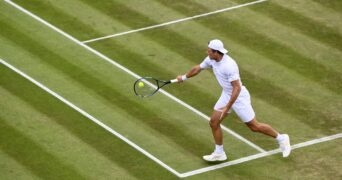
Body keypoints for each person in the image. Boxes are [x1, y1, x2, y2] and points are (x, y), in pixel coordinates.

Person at [176, 39, 291, 161]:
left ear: (216, 52)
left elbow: (237, 87)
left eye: (209, 51)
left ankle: (282, 138)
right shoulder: (211, 59)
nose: (207, 52)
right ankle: (219, 153)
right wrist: (183, 77)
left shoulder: (229, 66)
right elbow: (198, 68)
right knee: (214, 122)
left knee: (254, 126)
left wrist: (227, 106)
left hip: (238, 97)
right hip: (227, 94)